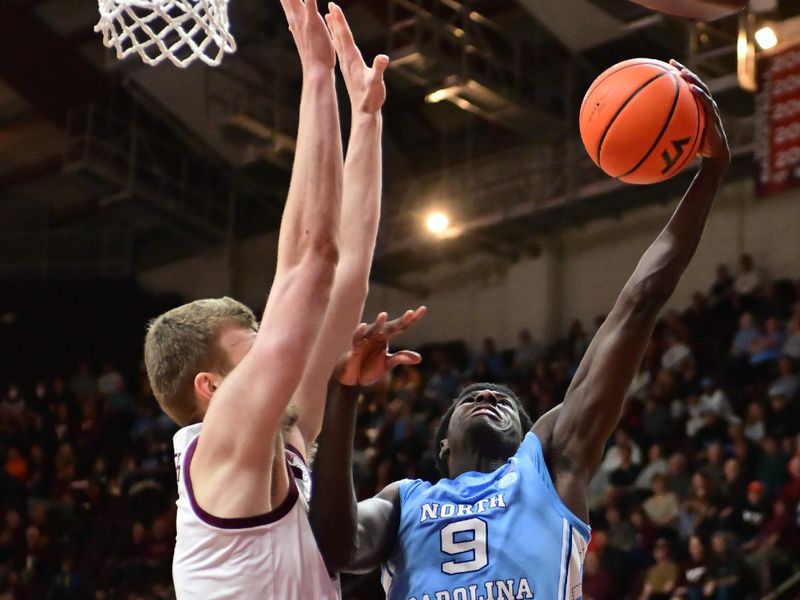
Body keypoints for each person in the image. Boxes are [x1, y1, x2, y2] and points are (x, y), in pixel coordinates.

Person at [311, 63, 731, 599]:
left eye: (504, 401)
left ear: (529, 435)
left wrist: (712, 172)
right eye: (470, 399)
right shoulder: (403, 501)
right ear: (441, 448)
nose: (488, 394)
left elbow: (639, 303)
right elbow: (335, 550)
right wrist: (343, 392)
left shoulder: (552, 461)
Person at [142, 2, 390, 597]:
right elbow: (310, 264)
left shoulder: (284, 434)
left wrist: (366, 117)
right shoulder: (222, 444)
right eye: (252, 353)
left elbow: (346, 272)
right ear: (212, 387)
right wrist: (313, 75)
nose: (279, 356)